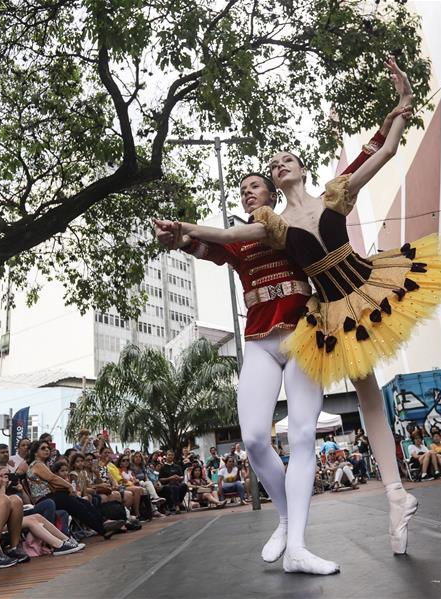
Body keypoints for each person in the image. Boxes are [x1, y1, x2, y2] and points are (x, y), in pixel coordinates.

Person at [168, 57, 441, 558]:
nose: (280, 166)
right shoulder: (274, 228)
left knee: (370, 395)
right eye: (272, 164)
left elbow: (384, 151)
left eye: (286, 160)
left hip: (365, 286)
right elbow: (230, 234)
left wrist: (402, 106)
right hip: (329, 309)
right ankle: (395, 498)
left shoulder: (335, 194)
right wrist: (185, 230)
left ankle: (394, 493)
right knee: (364, 393)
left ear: (301, 168)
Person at [155, 110, 400, 576]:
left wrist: (395, 117)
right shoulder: (241, 241)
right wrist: (177, 237)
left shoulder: (287, 225)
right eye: (244, 188)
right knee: (251, 439)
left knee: (304, 434)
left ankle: (300, 545)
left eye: (256, 185)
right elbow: (208, 246)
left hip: (305, 336)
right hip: (260, 342)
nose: (248, 191)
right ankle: (286, 519)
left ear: (272, 192)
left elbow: (366, 164)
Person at [26, 440, 124, 539]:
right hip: (44, 500)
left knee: (83, 503)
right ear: (35, 452)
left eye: (48, 448)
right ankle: (102, 528)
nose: (47, 450)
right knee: (76, 504)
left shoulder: (42, 464)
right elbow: (52, 478)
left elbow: (52, 481)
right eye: (43, 448)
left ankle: (103, 524)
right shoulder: (37, 464)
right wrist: (69, 486)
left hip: (51, 496)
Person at [0, 466, 82, 556]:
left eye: (7, 476)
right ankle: (56, 545)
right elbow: (2, 503)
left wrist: (22, 491)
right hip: (3, 523)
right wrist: (3, 487)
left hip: (20, 515)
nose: (5, 479)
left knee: (40, 516)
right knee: (44, 508)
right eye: (1, 476)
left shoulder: (11, 490)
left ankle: (66, 540)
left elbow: (27, 503)